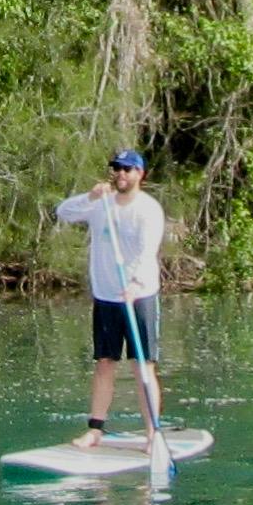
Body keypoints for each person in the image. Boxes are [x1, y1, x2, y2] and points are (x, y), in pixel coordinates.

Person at [53, 147, 167, 450]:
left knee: (142, 365)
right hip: (106, 296)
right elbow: (63, 212)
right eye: (116, 168)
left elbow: (147, 252)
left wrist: (134, 283)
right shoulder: (100, 204)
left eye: (127, 169)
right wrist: (89, 198)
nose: (120, 174)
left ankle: (153, 434)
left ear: (139, 174)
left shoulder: (148, 209)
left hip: (139, 296)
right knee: (104, 362)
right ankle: (95, 430)